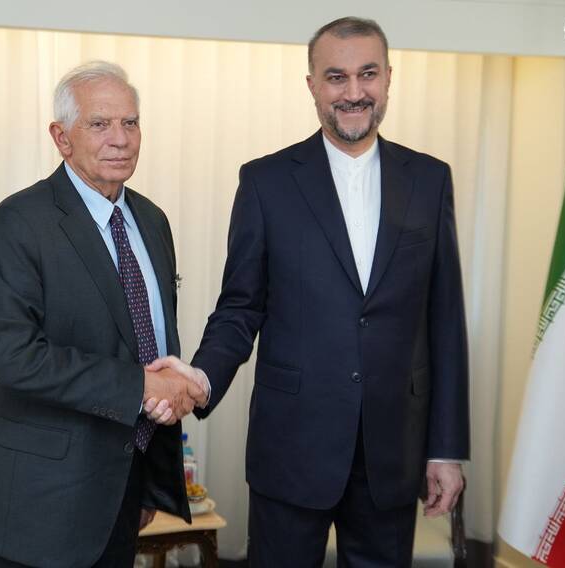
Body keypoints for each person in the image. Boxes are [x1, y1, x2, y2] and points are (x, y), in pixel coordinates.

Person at [147, 17, 469, 567]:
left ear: (389, 78)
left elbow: (445, 320)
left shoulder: (430, 179)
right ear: (313, 85)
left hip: (394, 450)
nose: (354, 91)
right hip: (291, 446)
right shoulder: (265, 182)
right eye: (336, 77)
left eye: (368, 74)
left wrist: (446, 448)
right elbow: (240, 306)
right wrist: (200, 377)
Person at [0, 61, 205, 568]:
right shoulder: (17, 223)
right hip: (42, 499)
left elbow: (149, 341)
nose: (121, 139)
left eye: (130, 123)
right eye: (99, 124)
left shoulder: (152, 220)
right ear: (61, 137)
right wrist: (143, 386)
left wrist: (173, 395)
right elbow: (14, 358)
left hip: (123, 489)